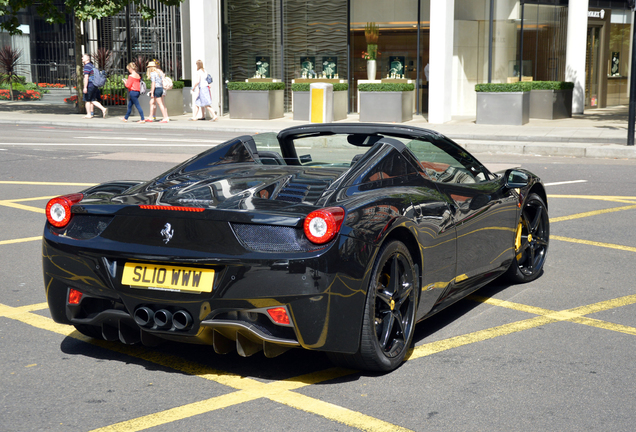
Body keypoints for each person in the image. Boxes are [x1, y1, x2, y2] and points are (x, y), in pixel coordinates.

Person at [82, 54, 108, 119]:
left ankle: (89, 114)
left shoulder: (86, 66)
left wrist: (85, 87)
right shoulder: (92, 66)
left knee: (87, 100)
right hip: (94, 85)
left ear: (87, 59)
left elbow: (86, 77)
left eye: (83, 57)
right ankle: (92, 112)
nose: (82, 58)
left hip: (90, 85)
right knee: (92, 100)